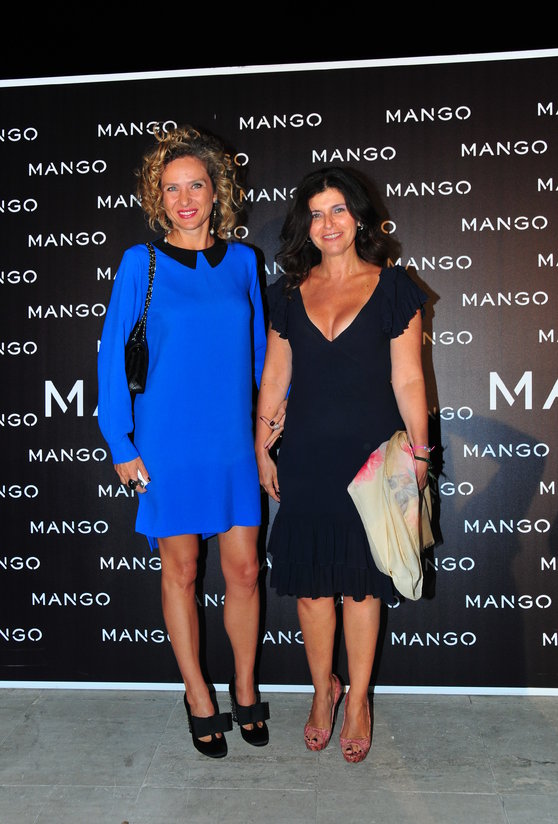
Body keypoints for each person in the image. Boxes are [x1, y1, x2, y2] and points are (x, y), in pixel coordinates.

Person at [97, 125, 277, 759]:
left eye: (195, 185)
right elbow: (112, 356)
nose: (184, 199)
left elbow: (261, 356)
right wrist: (121, 443)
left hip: (231, 440)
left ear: (216, 190)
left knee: (245, 569)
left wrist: (268, 429)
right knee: (180, 569)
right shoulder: (139, 263)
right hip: (166, 440)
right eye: (171, 189)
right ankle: (198, 694)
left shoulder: (245, 261)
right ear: (158, 197)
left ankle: (244, 684)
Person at [256, 166, 430, 764]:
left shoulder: (393, 287)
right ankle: (321, 691)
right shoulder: (288, 291)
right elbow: (274, 376)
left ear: (359, 218)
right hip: (305, 457)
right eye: (315, 213)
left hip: (370, 463)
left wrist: (420, 452)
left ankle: (358, 699)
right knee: (310, 590)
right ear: (304, 225)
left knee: (360, 588)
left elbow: (408, 379)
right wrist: (262, 447)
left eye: (337, 210)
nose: (327, 223)